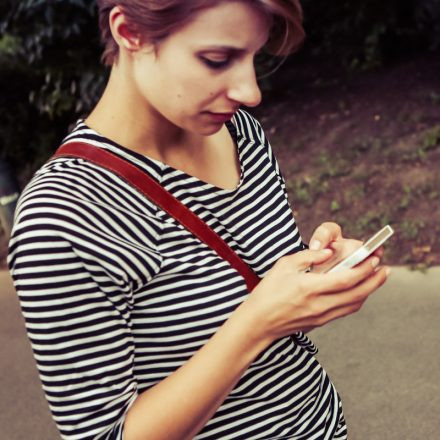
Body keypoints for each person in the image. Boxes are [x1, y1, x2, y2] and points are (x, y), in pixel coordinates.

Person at [7, 1, 390, 439]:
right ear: (130, 32)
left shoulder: (240, 133)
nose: (250, 92)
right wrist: (257, 322)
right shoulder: (62, 216)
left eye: (253, 57)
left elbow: (234, 280)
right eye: (217, 59)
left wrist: (316, 272)